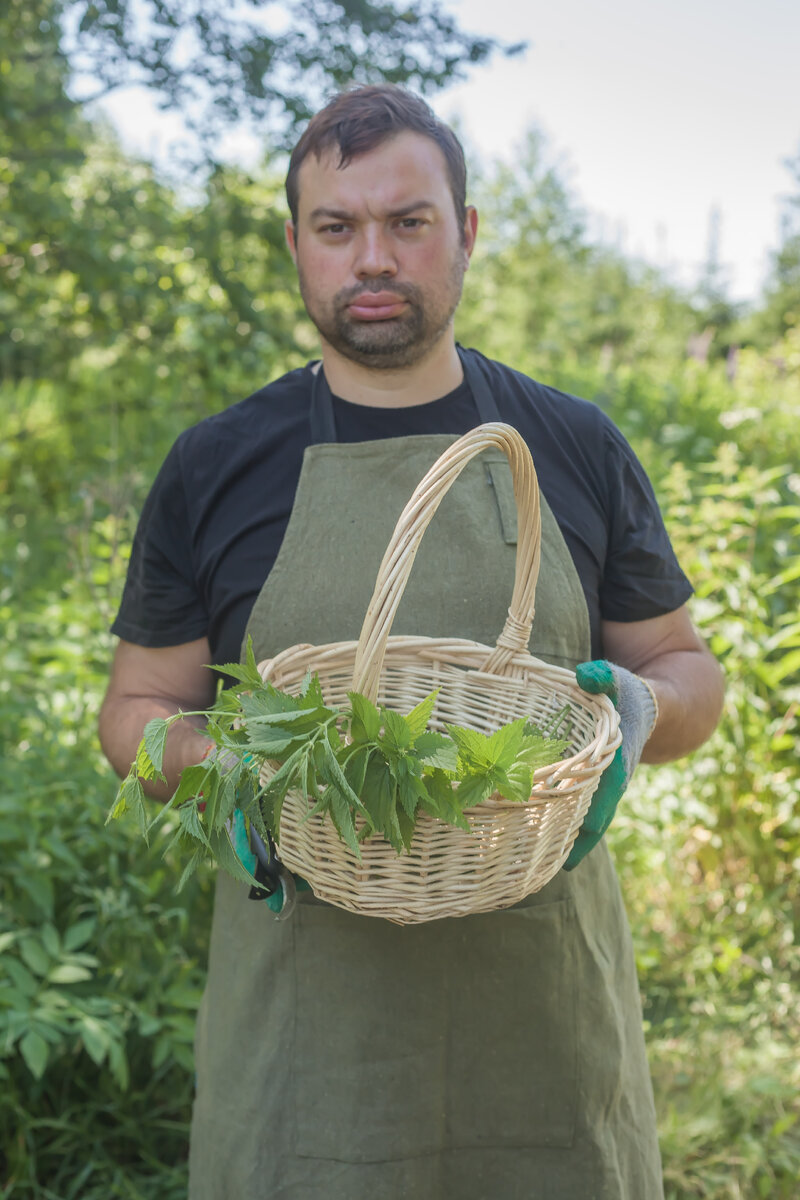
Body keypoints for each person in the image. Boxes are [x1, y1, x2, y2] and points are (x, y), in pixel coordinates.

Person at [99, 84, 724, 1199]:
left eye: (408, 221)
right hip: (307, 1037)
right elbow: (132, 715)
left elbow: (686, 671)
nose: (371, 258)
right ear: (297, 245)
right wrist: (216, 774)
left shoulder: (570, 445)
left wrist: (640, 715)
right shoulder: (216, 464)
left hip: (544, 1028)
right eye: (336, 228)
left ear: (466, 232)